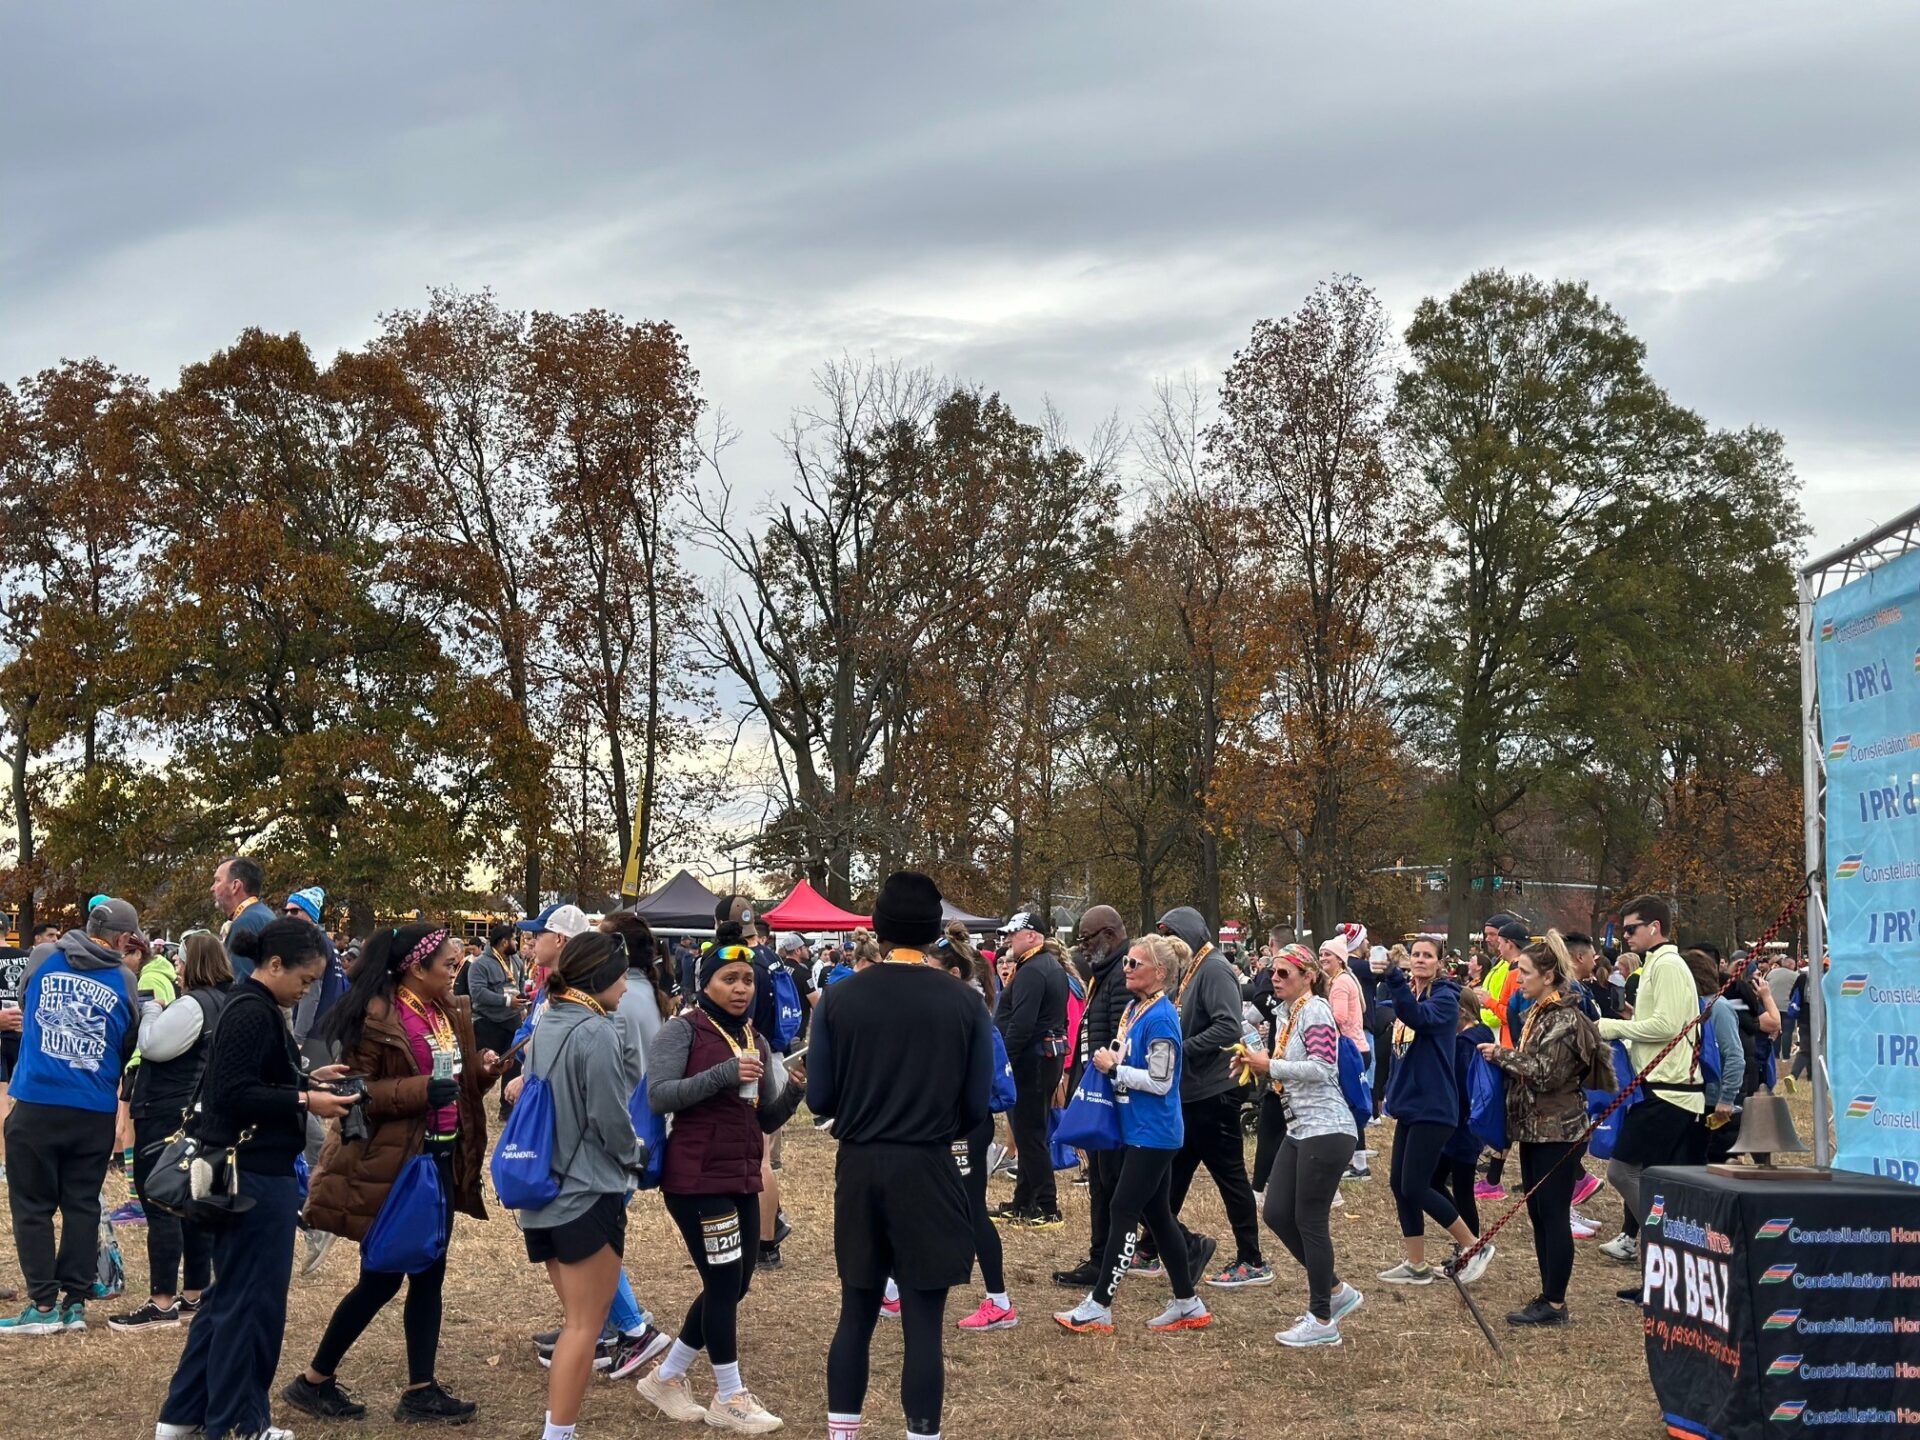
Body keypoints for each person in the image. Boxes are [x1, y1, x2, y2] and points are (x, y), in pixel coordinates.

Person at [284, 925, 506, 1425]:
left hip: (442, 1159)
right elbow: (359, 1093)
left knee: (429, 1273)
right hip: (398, 1164)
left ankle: (420, 1389)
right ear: (415, 967)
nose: (456, 972)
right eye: (449, 965)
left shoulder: (448, 1010)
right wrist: (422, 1090)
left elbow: (457, 1075)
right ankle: (314, 1382)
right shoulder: (379, 1016)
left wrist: (484, 1071)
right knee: (382, 1277)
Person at [156, 919, 362, 1440]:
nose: (308, 989)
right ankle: (241, 1423)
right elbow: (231, 1092)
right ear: (275, 966)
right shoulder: (251, 1010)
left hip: (247, 1173)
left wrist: (307, 1078)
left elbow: (254, 1076)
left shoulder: (257, 1007)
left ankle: (182, 1416)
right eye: (307, 979)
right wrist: (304, 1099)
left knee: (229, 1300)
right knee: (253, 1306)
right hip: (250, 1176)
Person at [809, 872, 993, 1440]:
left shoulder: (840, 995)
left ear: (878, 927)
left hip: (862, 1163)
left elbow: (820, 1097)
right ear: (936, 932)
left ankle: (843, 1432)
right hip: (929, 1163)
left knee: (857, 1311)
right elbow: (974, 1105)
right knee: (923, 1323)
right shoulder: (965, 1001)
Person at [635, 932, 803, 1434]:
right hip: (696, 1177)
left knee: (737, 1281)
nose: (741, 988)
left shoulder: (756, 1037)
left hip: (742, 1173)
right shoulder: (682, 1031)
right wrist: (725, 1073)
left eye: (748, 979)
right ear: (705, 982)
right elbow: (660, 1096)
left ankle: (667, 1376)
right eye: (729, 978)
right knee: (724, 1282)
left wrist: (793, 1094)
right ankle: (730, 1396)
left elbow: (763, 1114)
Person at [514, 931, 649, 1440]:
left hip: (542, 1194)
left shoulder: (547, 1021)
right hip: (587, 1194)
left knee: (576, 1320)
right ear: (600, 977)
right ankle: (560, 1432)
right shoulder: (597, 1032)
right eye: (621, 977)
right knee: (583, 1328)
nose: (627, 988)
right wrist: (638, 1154)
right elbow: (610, 1119)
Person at [0, 898, 146, 1335]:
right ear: (123, 939)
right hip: (93, 1108)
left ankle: (43, 1306)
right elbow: (128, 1040)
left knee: (32, 1206)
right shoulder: (124, 977)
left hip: (38, 1100)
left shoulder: (44, 956)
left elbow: (26, 1002)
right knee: (82, 1205)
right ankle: (75, 1303)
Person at [1054, 934, 1211, 1335]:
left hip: (1153, 1133)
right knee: (1158, 1217)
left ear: (1159, 973)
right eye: (1126, 963)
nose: (1125, 969)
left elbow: (1162, 1081)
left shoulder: (1161, 1017)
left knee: (1123, 1210)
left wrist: (1114, 1069)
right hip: (1136, 1128)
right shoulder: (1135, 1007)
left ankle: (1100, 1305)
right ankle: (1188, 1303)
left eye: (1134, 964)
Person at [1233, 944, 1362, 1347]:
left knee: (1309, 1219)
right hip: (1299, 1127)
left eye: (1284, 973)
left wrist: (1269, 1065)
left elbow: (1324, 1068)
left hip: (1327, 1127)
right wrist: (1256, 1064)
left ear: (1308, 976)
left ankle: (1322, 1318)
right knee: (1275, 1212)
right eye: (1273, 972)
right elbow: (1285, 1069)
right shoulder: (1287, 1013)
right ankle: (1338, 1291)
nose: (1275, 978)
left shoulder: (1317, 1010)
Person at [1478, 933, 1608, 1326]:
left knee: (1552, 1215)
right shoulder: (1538, 1012)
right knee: (1539, 1213)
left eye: (1526, 972)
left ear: (1548, 976)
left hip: (1559, 1132)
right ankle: (1548, 1295)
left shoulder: (1563, 1018)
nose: (1519, 979)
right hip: (1535, 1130)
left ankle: (1555, 1303)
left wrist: (1500, 1055)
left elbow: (1545, 1073)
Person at [110, 933, 234, 1331]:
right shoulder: (228, 1002)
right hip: (206, 1114)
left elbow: (153, 1046)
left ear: (192, 963)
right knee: (195, 1204)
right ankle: (196, 1291)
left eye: (180, 962)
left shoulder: (192, 1004)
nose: (176, 969)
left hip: (168, 1114)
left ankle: (161, 1301)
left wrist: (151, 1012)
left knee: (162, 1202)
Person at [1596, 895, 1707, 1303]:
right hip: (1660, 1089)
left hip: (1672, 1093)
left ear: (1654, 928)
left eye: (1631, 929)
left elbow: (1667, 1026)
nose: (1625, 937)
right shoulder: (1654, 965)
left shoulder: (1669, 965)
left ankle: (1671, 1239)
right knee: (1656, 1182)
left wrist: (1611, 1027)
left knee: (1622, 1171)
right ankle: (1658, 1282)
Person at [1157, 905, 1268, 1288]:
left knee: (1231, 1177)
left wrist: (1181, 1049)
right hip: (1191, 1093)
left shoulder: (1214, 968)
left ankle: (1252, 1259)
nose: (1167, 946)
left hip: (1215, 1093)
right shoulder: (1190, 970)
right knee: (1172, 1173)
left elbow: (1226, 1027)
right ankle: (1153, 1244)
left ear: (1187, 934)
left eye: (1172, 937)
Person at [1377, 936, 1495, 1286]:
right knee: (1399, 1184)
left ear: (1440, 962)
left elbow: (1418, 1019)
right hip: (1410, 1106)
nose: (1420, 960)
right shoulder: (1412, 992)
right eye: (1416, 955)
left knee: (1417, 1185)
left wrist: (1394, 980)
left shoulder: (1446, 997)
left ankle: (1474, 1245)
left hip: (1435, 1107)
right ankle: (1416, 1264)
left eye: (1428, 955)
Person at [933, 926, 1018, 1331]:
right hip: (954, 1123)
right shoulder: (957, 1007)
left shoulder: (965, 1013)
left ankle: (999, 1301)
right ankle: (898, 1288)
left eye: (929, 968)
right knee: (933, 1202)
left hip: (967, 1125)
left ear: (950, 973)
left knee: (970, 1208)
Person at [1052, 905, 1131, 1289]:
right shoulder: (1104, 973)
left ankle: (1180, 1245)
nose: (1082, 948)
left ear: (1110, 935)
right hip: (1098, 1091)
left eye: (1087, 939)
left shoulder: (1120, 976)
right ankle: (1102, 1256)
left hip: (1112, 1096)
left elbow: (1119, 1039)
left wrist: (1103, 1086)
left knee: (1116, 1185)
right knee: (1103, 1183)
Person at [990, 906, 1069, 1228]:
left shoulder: (1035, 970)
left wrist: (1000, 1060)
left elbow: (1021, 1025)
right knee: (1027, 1132)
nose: (1008, 939)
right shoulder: (1041, 965)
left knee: (1030, 1134)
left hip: (1031, 1062)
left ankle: (1048, 1207)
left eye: (1013, 933)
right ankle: (1023, 1202)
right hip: (1042, 1058)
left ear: (1032, 936)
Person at [1320, 936, 1372, 1179]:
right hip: (1359, 1048)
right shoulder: (1347, 979)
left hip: (1350, 1051)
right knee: (1352, 1106)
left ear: (1340, 958)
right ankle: (1355, 1160)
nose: (1322, 959)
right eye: (1321, 954)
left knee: (1350, 1108)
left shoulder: (1340, 983)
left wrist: (1318, 1017)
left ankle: (1358, 1164)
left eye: (1327, 955)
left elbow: (1338, 1017)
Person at [465, 921, 527, 1061]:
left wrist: (521, 1002)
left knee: (512, 1066)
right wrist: (507, 1001)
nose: (516, 943)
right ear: (504, 942)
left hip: (513, 1021)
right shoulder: (479, 964)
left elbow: (520, 981)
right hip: (489, 1023)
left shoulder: (516, 960)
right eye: (513, 940)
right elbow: (478, 992)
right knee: (488, 1068)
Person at [212, 857, 273, 978]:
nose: (212, 888)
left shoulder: (244, 923)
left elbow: (243, 983)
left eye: (217, 881)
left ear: (235, 886)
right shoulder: (264, 915)